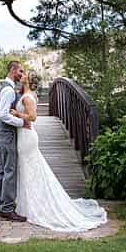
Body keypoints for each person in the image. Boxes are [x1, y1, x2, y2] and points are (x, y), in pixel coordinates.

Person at [9, 70, 108, 232]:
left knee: (29, 169)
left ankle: (34, 206)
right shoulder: (27, 93)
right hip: (25, 135)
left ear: (29, 80)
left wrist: (17, 113)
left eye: (25, 74)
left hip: (27, 137)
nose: (22, 75)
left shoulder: (27, 97)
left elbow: (33, 117)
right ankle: (28, 203)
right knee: (29, 170)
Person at [0, 60, 29, 222]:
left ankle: (0, 204)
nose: (22, 74)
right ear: (13, 70)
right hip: (7, 134)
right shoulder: (8, 90)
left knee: (3, 169)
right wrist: (22, 123)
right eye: (20, 71)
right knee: (10, 170)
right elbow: (2, 115)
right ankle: (7, 208)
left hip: (2, 133)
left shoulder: (3, 86)